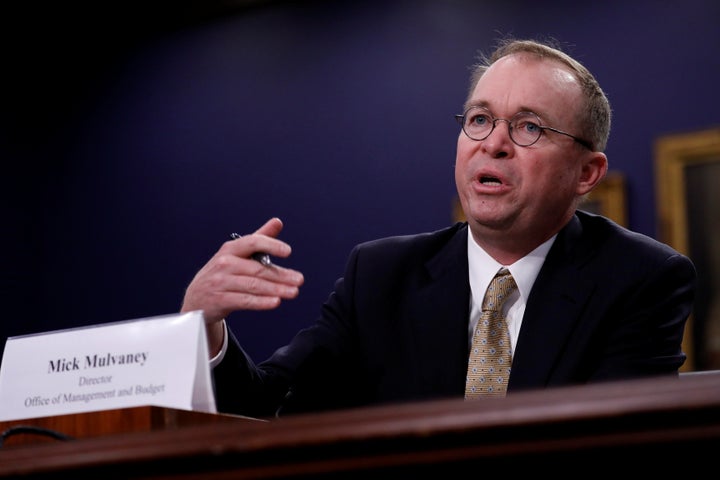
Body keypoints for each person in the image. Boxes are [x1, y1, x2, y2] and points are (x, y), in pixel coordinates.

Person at [180, 38, 697, 418]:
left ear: (587, 173)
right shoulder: (380, 276)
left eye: (529, 127)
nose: (493, 144)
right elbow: (266, 407)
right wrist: (204, 326)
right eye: (479, 119)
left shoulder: (641, 278)